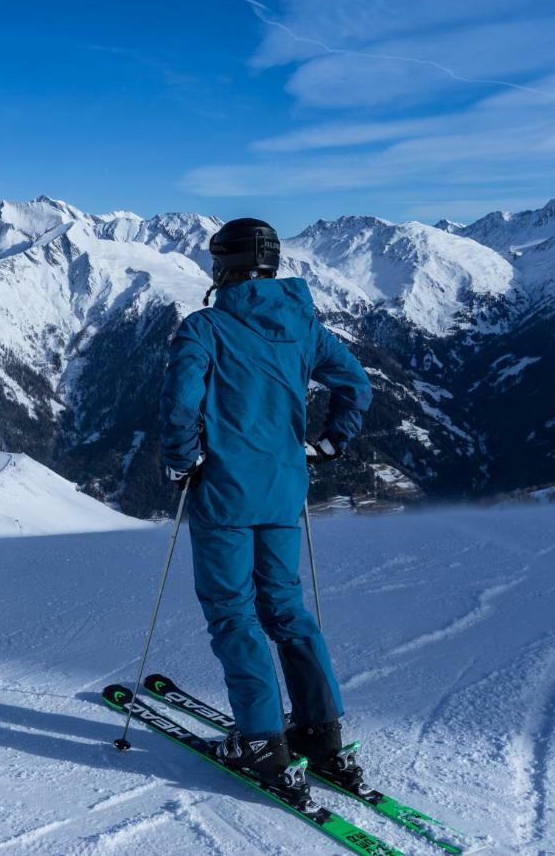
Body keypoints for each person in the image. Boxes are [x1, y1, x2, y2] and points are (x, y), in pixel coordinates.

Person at [159, 217, 372, 785]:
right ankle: (320, 731)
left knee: (233, 615)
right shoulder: (304, 327)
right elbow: (356, 385)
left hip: (223, 497)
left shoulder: (203, 328)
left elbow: (182, 403)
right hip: (284, 494)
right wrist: (330, 442)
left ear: (221, 266)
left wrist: (182, 459)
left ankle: (260, 741)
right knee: (285, 611)